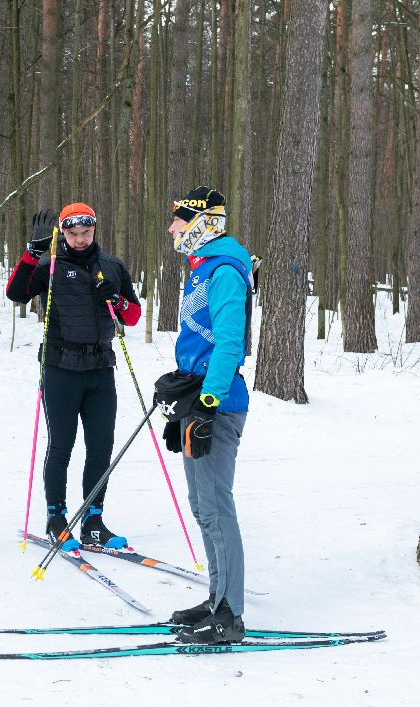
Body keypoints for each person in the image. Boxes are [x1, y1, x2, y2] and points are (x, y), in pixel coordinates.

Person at [6, 202, 142, 551]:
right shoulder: (49, 267)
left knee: (101, 446)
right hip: (60, 368)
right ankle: (57, 519)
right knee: (61, 445)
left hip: (100, 369)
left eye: (86, 232)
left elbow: (133, 316)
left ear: (94, 230)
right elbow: (16, 293)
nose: (80, 239)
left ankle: (93, 521)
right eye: (73, 233)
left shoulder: (112, 266)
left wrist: (117, 301)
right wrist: (32, 253)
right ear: (63, 233)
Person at [159, 186, 253, 644]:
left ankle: (230, 614)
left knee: (217, 505)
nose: (171, 229)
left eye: (178, 221)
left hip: (217, 404)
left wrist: (208, 405)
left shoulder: (225, 271)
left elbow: (230, 344)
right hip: (195, 399)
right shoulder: (201, 268)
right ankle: (217, 597)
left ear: (201, 224)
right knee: (201, 507)